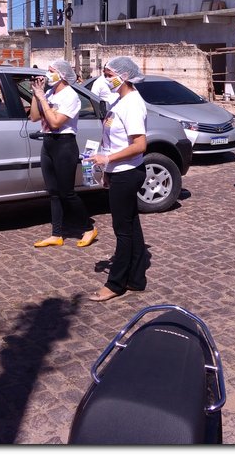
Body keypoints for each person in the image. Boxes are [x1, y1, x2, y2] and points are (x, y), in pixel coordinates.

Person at [87, 56, 149, 302]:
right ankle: (136, 278)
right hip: (119, 171)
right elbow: (113, 139)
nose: (105, 79)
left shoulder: (132, 104)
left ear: (124, 76)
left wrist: (108, 159)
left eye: (108, 74)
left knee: (123, 230)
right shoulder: (120, 101)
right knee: (131, 225)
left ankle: (116, 283)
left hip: (128, 172)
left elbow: (139, 145)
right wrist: (107, 169)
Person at [30, 60, 97, 249]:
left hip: (64, 144)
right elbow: (34, 117)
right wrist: (36, 95)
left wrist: (43, 99)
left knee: (67, 192)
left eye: (51, 71)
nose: (47, 74)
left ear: (62, 75)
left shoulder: (70, 96)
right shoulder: (49, 93)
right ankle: (56, 234)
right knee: (53, 192)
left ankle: (88, 227)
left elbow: (55, 123)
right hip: (48, 143)